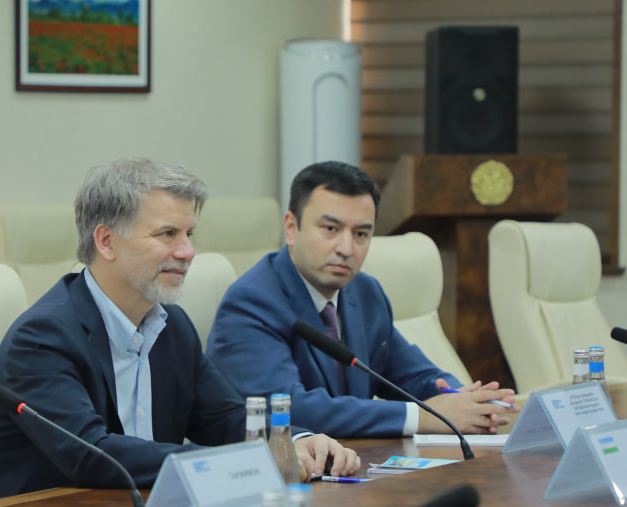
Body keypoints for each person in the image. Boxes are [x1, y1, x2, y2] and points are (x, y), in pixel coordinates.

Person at [0, 158, 358, 502]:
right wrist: (244, 462)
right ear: (107, 241)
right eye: (168, 234)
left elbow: (224, 419)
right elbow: (92, 455)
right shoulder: (43, 337)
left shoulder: (172, 326)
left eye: (189, 235)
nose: (187, 252)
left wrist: (294, 441)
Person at [208, 161, 516, 438]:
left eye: (361, 234)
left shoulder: (365, 293)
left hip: (356, 464)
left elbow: (414, 375)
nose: (346, 248)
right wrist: (422, 417)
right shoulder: (252, 302)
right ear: (291, 228)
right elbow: (288, 409)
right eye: (331, 229)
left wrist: (465, 399)